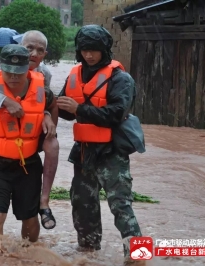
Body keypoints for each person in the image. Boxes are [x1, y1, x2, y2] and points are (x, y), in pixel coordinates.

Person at [56, 24, 142, 262]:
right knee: (82, 204)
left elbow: (116, 113)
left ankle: (139, 256)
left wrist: (79, 109)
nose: (89, 55)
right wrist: (50, 103)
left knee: (121, 206)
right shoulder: (75, 74)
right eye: (85, 50)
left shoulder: (121, 78)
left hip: (112, 152)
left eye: (94, 50)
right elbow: (66, 112)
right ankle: (88, 254)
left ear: (105, 50)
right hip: (84, 153)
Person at [0, 30, 59, 238]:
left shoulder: (44, 74)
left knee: (53, 145)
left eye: (39, 50)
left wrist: (46, 116)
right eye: (29, 48)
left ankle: (44, 202)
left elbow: (45, 102)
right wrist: (3, 101)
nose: (34, 53)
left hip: (29, 126)